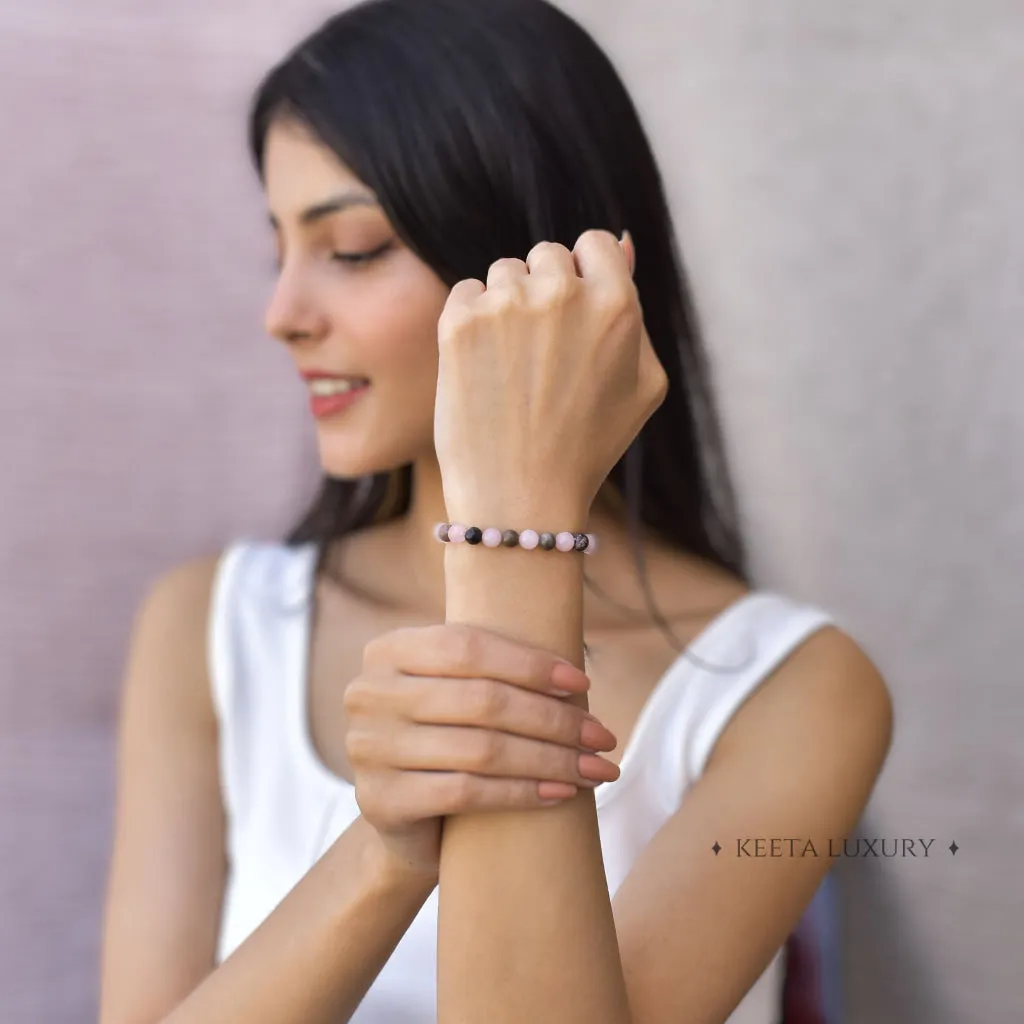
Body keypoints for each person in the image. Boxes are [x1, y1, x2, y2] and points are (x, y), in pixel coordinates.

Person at [97, 1, 893, 1022]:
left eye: (350, 247)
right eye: (278, 248)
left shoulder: (795, 688)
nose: (282, 313)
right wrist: (382, 852)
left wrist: (513, 520)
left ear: (546, 268)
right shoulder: (209, 625)